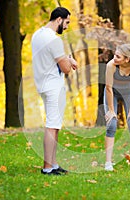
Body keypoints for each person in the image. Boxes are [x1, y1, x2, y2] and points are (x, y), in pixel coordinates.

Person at [31, 7, 78, 175]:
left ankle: (54, 164)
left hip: (42, 84)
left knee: (55, 125)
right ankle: (47, 167)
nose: (66, 27)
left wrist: (65, 58)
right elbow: (65, 68)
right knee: (52, 126)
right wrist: (70, 60)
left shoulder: (37, 35)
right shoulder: (54, 40)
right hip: (53, 86)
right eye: (66, 22)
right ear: (59, 19)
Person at [104, 43, 130, 171]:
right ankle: (108, 163)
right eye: (115, 55)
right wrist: (111, 111)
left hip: (129, 93)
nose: (114, 58)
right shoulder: (111, 66)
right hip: (112, 93)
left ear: (127, 59)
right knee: (112, 124)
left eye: (118, 56)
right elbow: (109, 88)